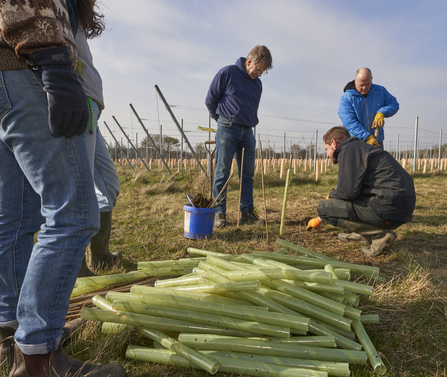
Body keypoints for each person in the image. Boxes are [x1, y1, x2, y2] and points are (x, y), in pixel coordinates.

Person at [0, 1, 125, 376]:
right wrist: (54, 60)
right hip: (28, 66)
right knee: (72, 214)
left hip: (10, 68)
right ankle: (40, 359)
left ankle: (12, 338)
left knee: (17, 215)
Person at [306, 127, 416, 257]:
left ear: (334, 143)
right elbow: (355, 189)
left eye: (327, 149)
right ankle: (363, 233)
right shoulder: (359, 148)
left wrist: (328, 201)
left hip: (388, 207)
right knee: (338, 202)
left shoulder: (348, 150)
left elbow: (347, 192)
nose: (327, 155)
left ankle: (379, 235)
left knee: (324, 207)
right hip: (399, 207)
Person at [75, 1, 122, 277]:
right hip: (77, 102)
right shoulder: (60, 8)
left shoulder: (73, 13)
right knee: (79, 192)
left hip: (87, 104)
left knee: (107, 185)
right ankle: (77, 265)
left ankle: (100, 255)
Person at [205, 45, 273, 228]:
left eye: (263, 72)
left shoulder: (257, 84)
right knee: (222, 171)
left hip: (248, 131)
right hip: (227, 128)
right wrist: (221, 121)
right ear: (249, 61)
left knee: (247, 174)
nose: (259, 74)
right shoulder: (228, 73)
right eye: (259, 69)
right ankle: (220, 213)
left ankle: (246, 213)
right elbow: (210, 99)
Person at [338, 67, 399, 148]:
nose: (364, 87)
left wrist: (382, 112)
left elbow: (394, 103)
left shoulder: (380, 91)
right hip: (355, 142)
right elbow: (348, 121)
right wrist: (367, 137)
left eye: (367, 84)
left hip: (377, 141)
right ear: (355, 81)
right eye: (361, 85)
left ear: (371, 79)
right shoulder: (347, 97)